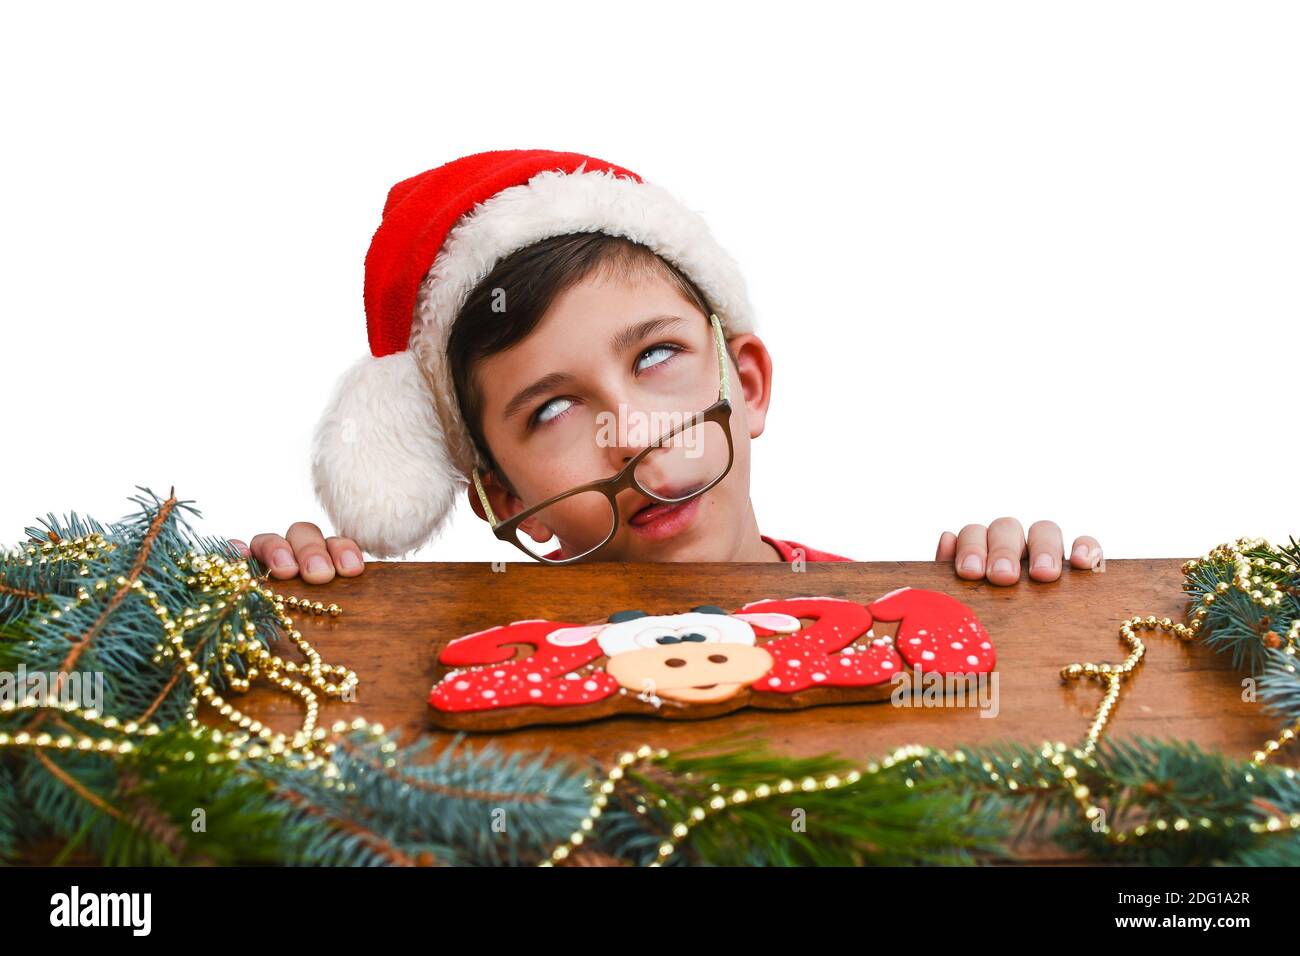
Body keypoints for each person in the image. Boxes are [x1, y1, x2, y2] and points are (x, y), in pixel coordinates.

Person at [233, 149, 1102, 586]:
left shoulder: (907, 630)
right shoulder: (478, 690)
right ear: (502, 498)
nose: (632, 433)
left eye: (656, 356)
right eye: (550, 411)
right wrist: (302, 620)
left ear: (747, 383)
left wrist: (1018, 604)